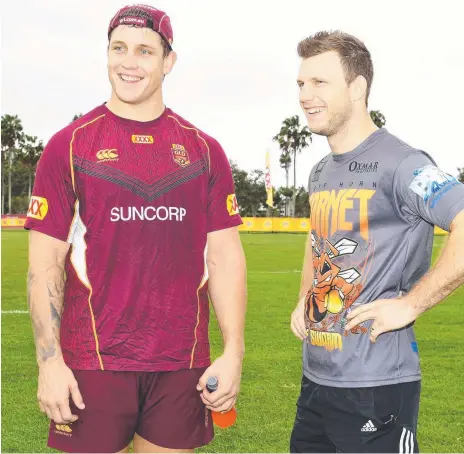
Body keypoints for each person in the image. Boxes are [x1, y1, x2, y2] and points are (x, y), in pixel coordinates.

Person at [25, 4, 246, 453]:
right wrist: (49, 363)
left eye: (145, 51)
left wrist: (234, 350)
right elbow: (43, 265)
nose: (129, 62)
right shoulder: (68, 146)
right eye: (118, 48)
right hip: (92, 362)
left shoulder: (205, 151)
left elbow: (225, 257)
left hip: (181, 363)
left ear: (168, 61)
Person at [289, 30, 464, 453]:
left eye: (319, 82)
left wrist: (410, 305)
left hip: (378, 387)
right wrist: (303, 300)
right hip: (317, 381)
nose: (305, 95)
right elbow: (320, 241)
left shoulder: (404, 164)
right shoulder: (320, 171)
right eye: (301, 83)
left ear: (357, 87)